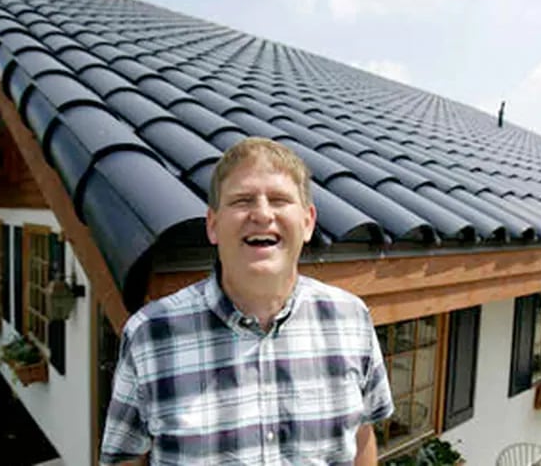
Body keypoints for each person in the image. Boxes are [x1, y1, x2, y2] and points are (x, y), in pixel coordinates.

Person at [100, 137, 394, 465]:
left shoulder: (352, 319)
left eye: (279, 199)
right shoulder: (150, 334)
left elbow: (362, 436)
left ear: (308, 222)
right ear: (213, 225)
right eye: (242, 200)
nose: (262, 214)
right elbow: (124, 460)